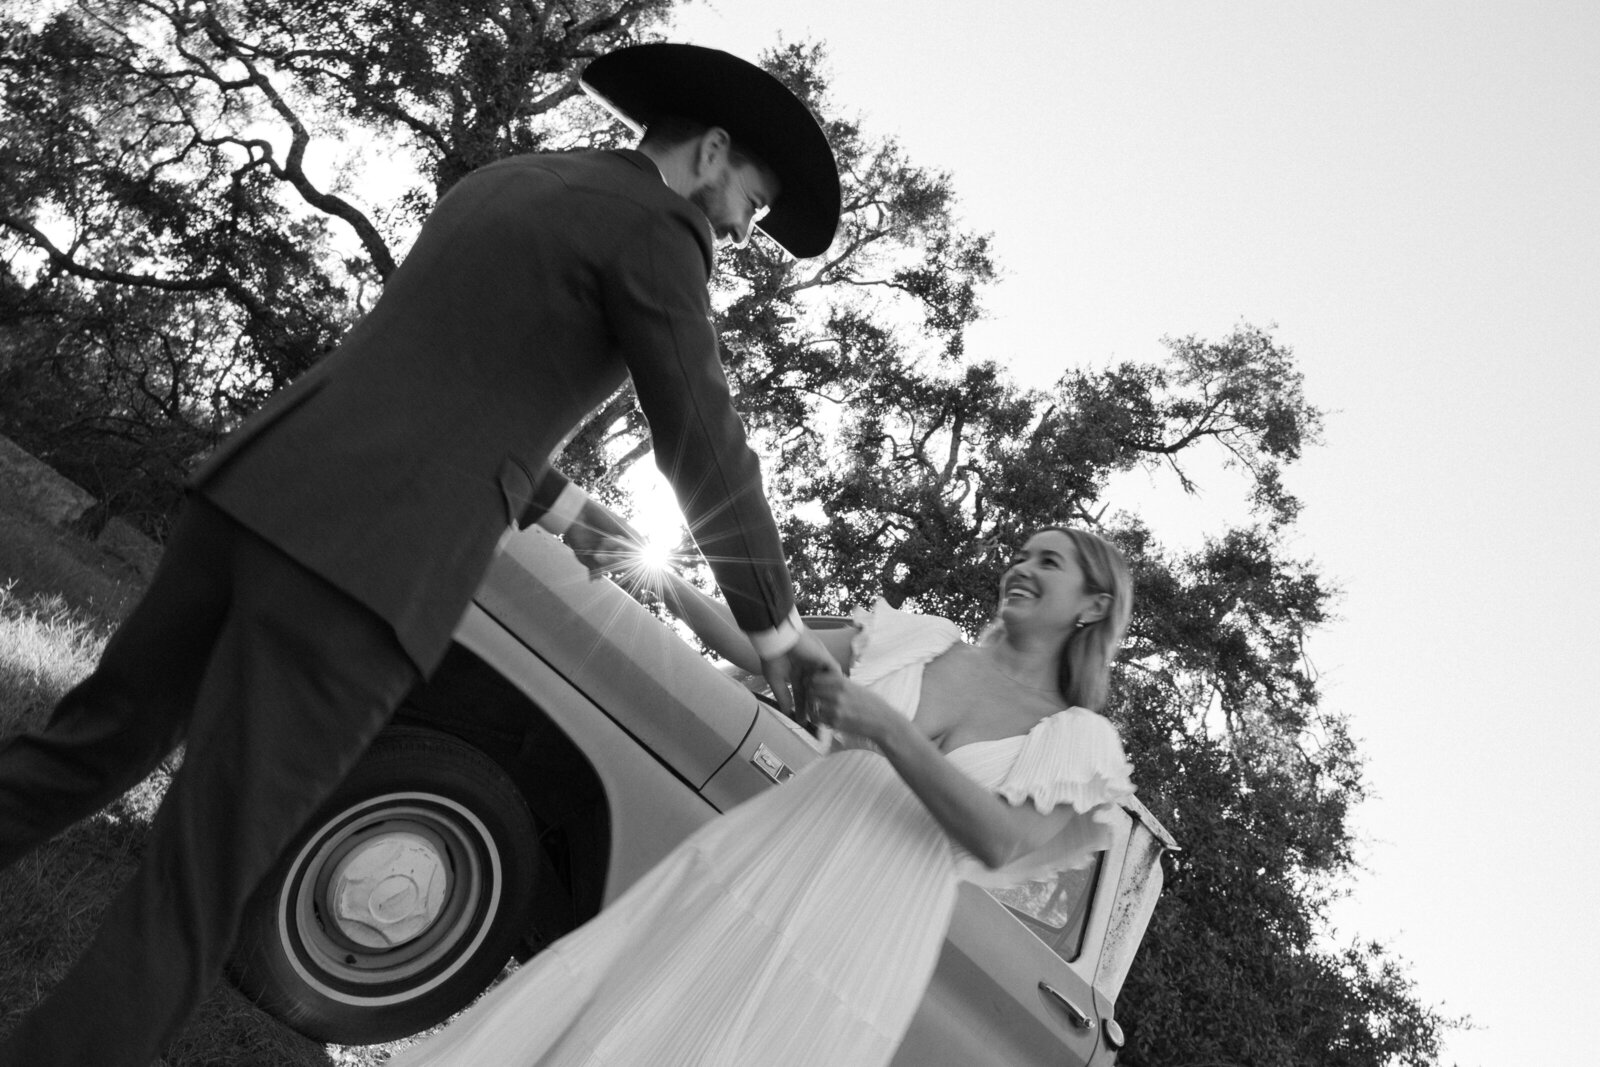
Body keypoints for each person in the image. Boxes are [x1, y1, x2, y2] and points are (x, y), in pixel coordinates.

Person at [0, 43, 843, 1067]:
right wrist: (779, 627)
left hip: (259, 493)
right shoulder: (660, 230)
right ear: (711, 152)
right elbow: (701, 436)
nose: (744, 228)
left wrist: (563, 501)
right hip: (364, 575)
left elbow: (445, 374)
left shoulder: (511, 179)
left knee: (85, 745)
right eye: (754, 199)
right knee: (205, 873)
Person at [386, 522, 1138, 1067]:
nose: (1021, 565)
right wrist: (652, 570)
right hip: (767, 861)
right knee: (632, 1015)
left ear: (1094, 606)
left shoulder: (1076, 741)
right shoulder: (922, 640)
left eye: (1049, 560)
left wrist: (887, 727)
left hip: (863, 936)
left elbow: (1000, 838)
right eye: (1020, 552)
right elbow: (765, 646)